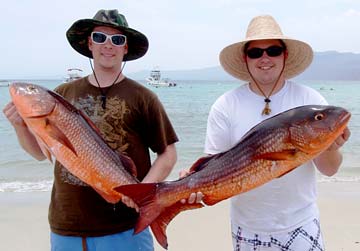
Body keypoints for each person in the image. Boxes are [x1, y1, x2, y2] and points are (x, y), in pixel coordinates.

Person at [3, 9, 178, 251]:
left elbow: (168, 153)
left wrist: (140, 192)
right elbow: (40, 153)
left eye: (117, 39)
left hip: (124, 227)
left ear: (125, 48)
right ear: (89, 43)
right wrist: (19, 125)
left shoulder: (144, 97)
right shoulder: (63, 93)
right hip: (67, 225)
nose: (108, 45)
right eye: (100, 37)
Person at [184, 15, 351, 250]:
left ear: (285, 55)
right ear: (245, 59)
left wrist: (331, 146)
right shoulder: (226, 105)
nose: (265, 58)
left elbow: (330, 169)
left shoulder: (310, 100)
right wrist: (192, 180)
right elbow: (215, 165)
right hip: (247, 227)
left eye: (273, 50)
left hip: (301, 224)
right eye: (255, 52)